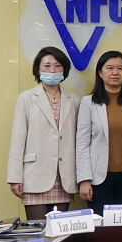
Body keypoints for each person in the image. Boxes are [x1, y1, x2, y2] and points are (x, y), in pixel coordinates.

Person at [7, 46, 80, 220]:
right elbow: (18, 139)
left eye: (57, 65)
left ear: (64, 69)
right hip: (34, 175)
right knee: (37, 230)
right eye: (47, 66)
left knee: (59, 231)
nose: (52, 70)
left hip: (63, 177)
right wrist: (15, 177)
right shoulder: (26, 98)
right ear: (38, 69)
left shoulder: (74, 99)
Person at [75, 50, 122, 216]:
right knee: (101, 225)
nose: (115, 72)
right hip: (98, 178)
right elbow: (82, 143)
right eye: (109, 68)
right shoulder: (88, 102)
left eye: (120, 68)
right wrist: (84, 179)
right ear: (100, 73)